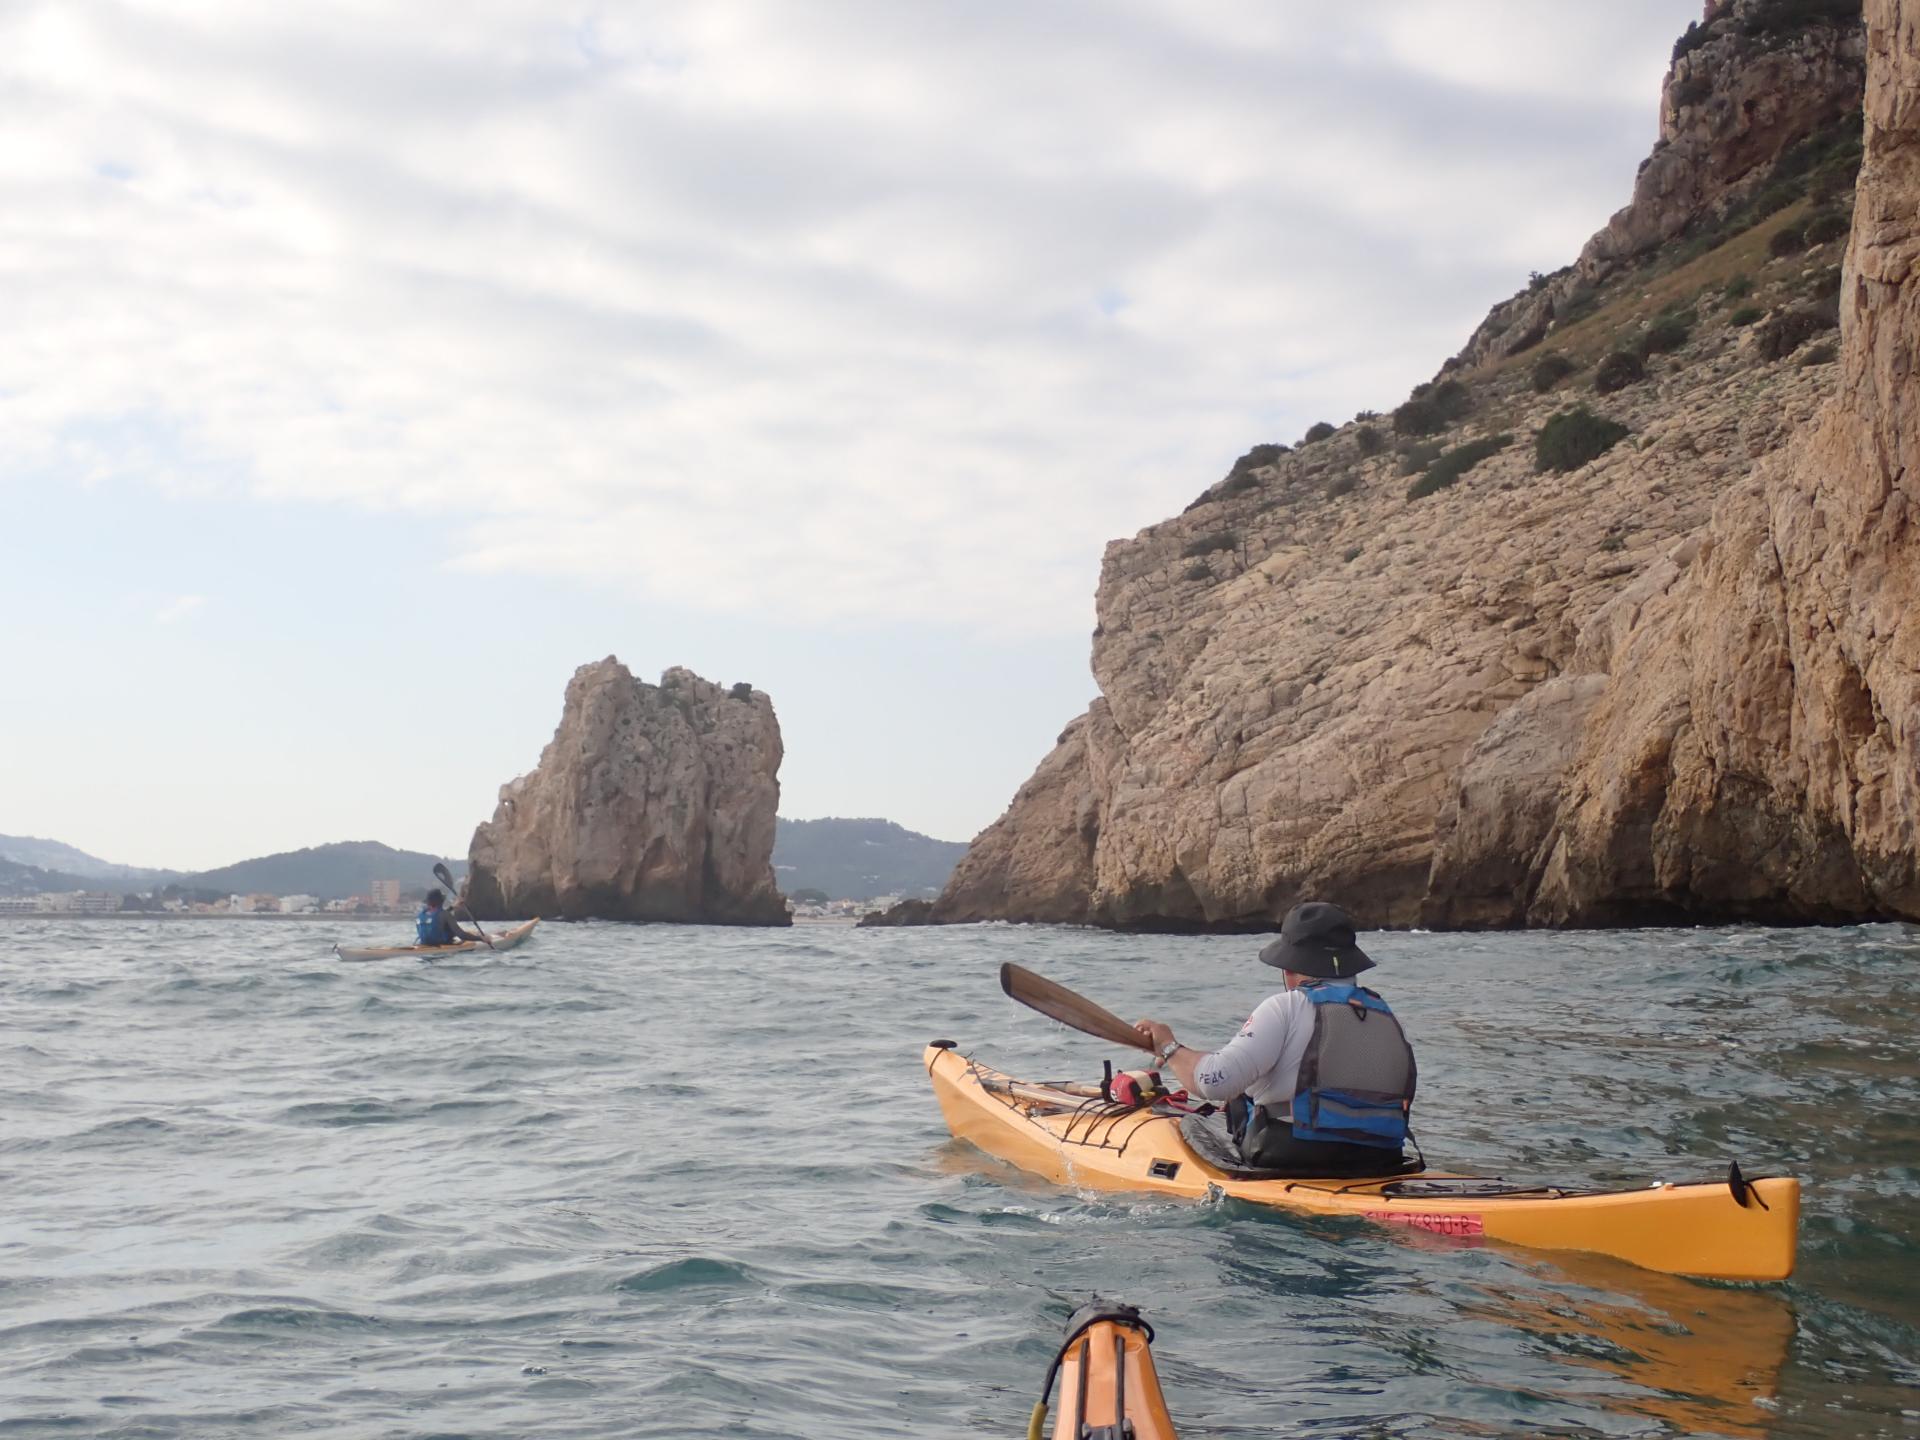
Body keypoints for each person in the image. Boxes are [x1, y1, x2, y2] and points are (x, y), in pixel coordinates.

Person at [1134, 901, 1416, 1177]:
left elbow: (1213, 1081)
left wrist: (1169, 1048)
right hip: (1382, 1158)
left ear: (1290, 968)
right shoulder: (1389, 1017)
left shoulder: (1287, 1006)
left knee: (1237, 1097)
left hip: (1296, 1154)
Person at [416, 889, 482, 947]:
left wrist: (453, 907)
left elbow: (438, 917)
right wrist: (481, 939)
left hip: (424, 944)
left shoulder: (421, 915)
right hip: (442, 944)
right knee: (469, 933)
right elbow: (461, 935)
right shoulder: (445, 915)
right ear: (441, 901)